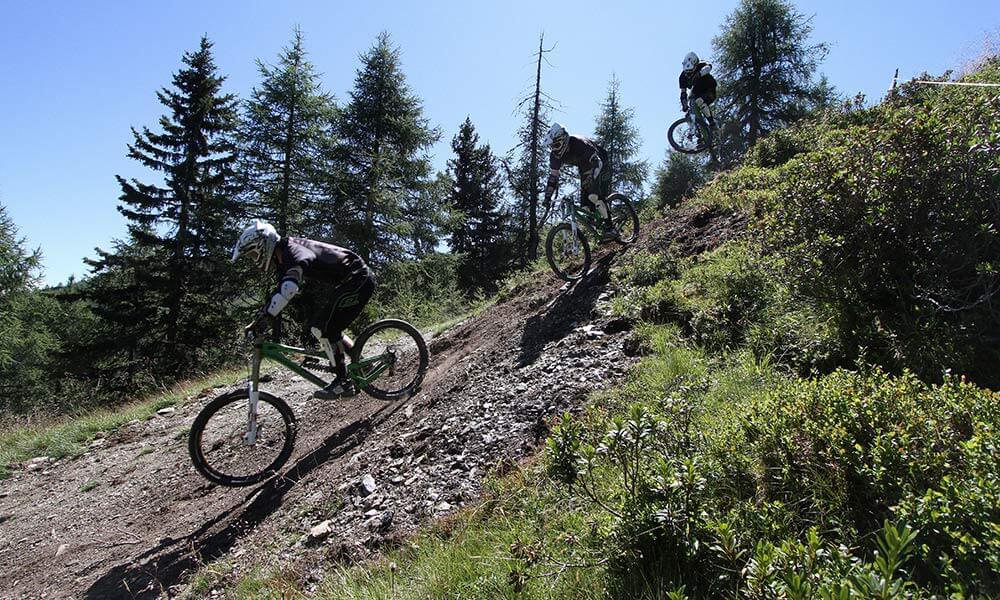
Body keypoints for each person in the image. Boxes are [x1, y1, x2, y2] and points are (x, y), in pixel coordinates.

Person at [231, 220, 375, 400]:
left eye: (253, 254)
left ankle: (344, 382)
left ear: (264, 244)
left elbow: (289, 289)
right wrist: (261, 318)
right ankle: (360, 363)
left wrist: (266, 318)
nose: (254, 259)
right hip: (352, 280)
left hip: (358, 280)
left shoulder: (292, 251)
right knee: (326, 327)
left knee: (322, 328)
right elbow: (279, 292)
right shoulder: (284, 255)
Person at [542, 122, 615, 240]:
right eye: (551, 147)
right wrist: (547, 197)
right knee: (585, 207)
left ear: (563, 139)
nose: (554, 149)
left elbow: (597, 163)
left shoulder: (579, 143)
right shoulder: (554, 156)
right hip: (585, 168)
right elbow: (553, 177)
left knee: (593, 196)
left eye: (556, 145)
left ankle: (610, 227)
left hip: (599, 161)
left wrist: (591, 179)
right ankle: (599, 231)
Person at [679, 51, 718, 131]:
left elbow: (709, 67)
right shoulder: (682, 77)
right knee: (689, 113)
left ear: (696, 65)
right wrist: (684, 104)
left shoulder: (702, 65)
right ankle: (696, 132)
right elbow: (683, 92)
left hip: (709, 90)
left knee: (699, 101)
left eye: (691, 71)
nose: (689, 74)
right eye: (687, 72)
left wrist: (700, 73)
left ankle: (712, 123)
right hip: (696, 92)